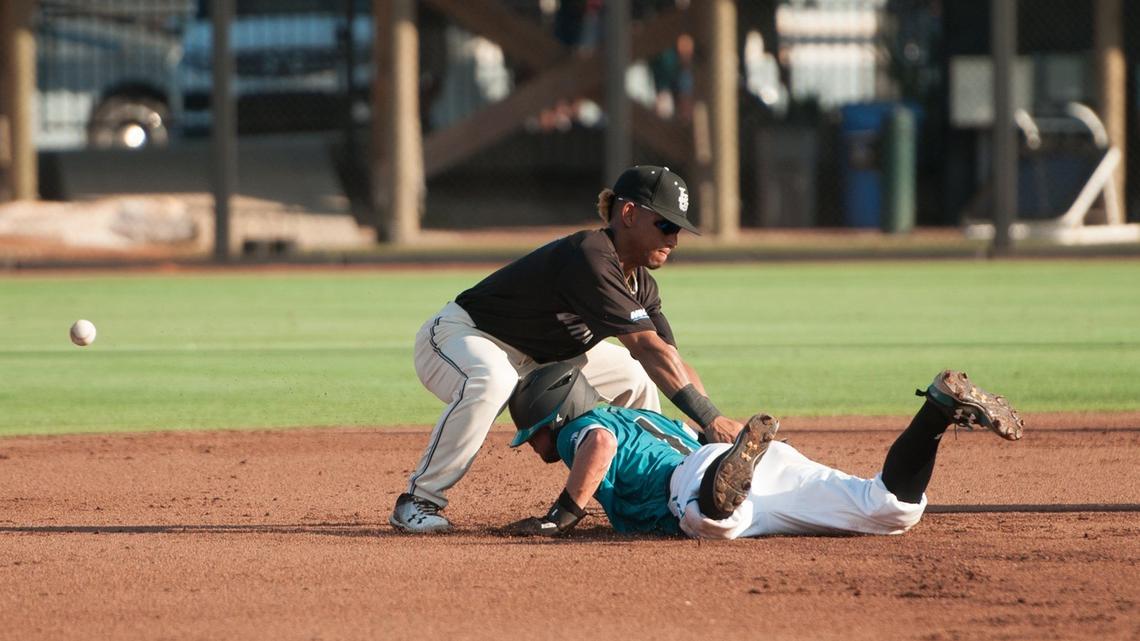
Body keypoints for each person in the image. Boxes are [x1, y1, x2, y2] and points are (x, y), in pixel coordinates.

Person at [391, 165, 745, 533]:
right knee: (492, 380)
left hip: (542, 359)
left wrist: (709, 436)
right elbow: (646, 346)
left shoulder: (641, 285)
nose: (674, 239)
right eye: (667, 225)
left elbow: (670, 359)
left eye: (679, 229)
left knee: (635, 377)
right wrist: (710, 419)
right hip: (464, 336)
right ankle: (418, 499)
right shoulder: (590, 254)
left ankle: (662, 484)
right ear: (628, 214)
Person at [502, 364, 1024, 538]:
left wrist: (562, 515)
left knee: (712, 524)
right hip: (754, 460)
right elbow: (685, 429)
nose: (536, 446)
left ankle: (726, 486)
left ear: (555, 415)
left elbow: (599, 443)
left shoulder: (583, 428)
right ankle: (935, 411)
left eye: (534, 435)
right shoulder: (637, 413)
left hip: (694, 478)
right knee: (888, 509)